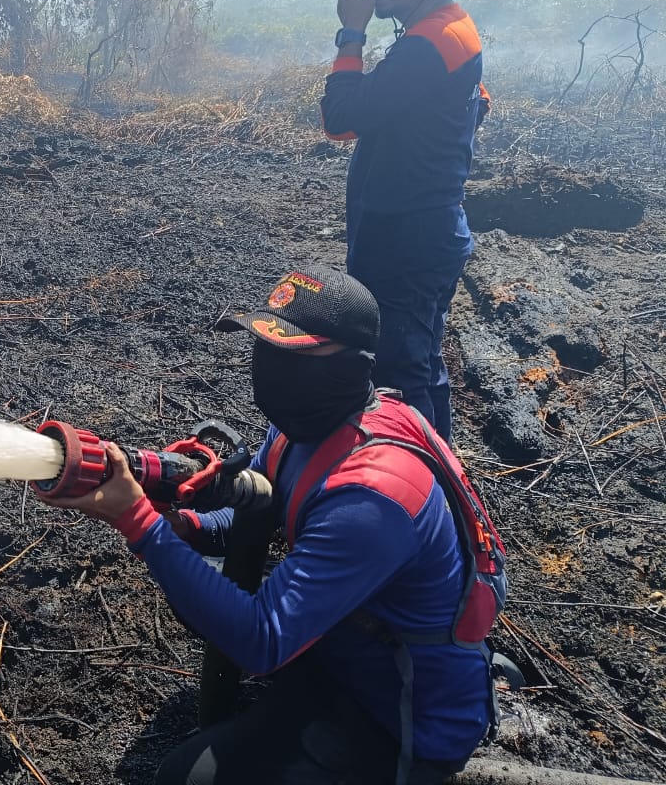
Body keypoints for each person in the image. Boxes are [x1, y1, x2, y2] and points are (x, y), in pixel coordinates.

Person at [42, 266, 496, 785]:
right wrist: (185, 526)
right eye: (267, 349)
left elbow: (261, 641)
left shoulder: (374, 497)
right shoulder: (310, 423)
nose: (275, 367)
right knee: (200, 577)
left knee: (183, 778)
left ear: (354, 367)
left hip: (399, 719)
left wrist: (140, 523)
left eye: (296, 354)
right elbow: (256, 510)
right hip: (348, 647)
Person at [320, 0, 490, 442]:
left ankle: (433, 493)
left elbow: (341, 121)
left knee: (404, 374)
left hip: (406, 239)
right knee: (411, 362)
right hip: (416, 230)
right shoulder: (446, 31)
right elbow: (473, 102)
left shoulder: (429, 42)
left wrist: (351, 34)